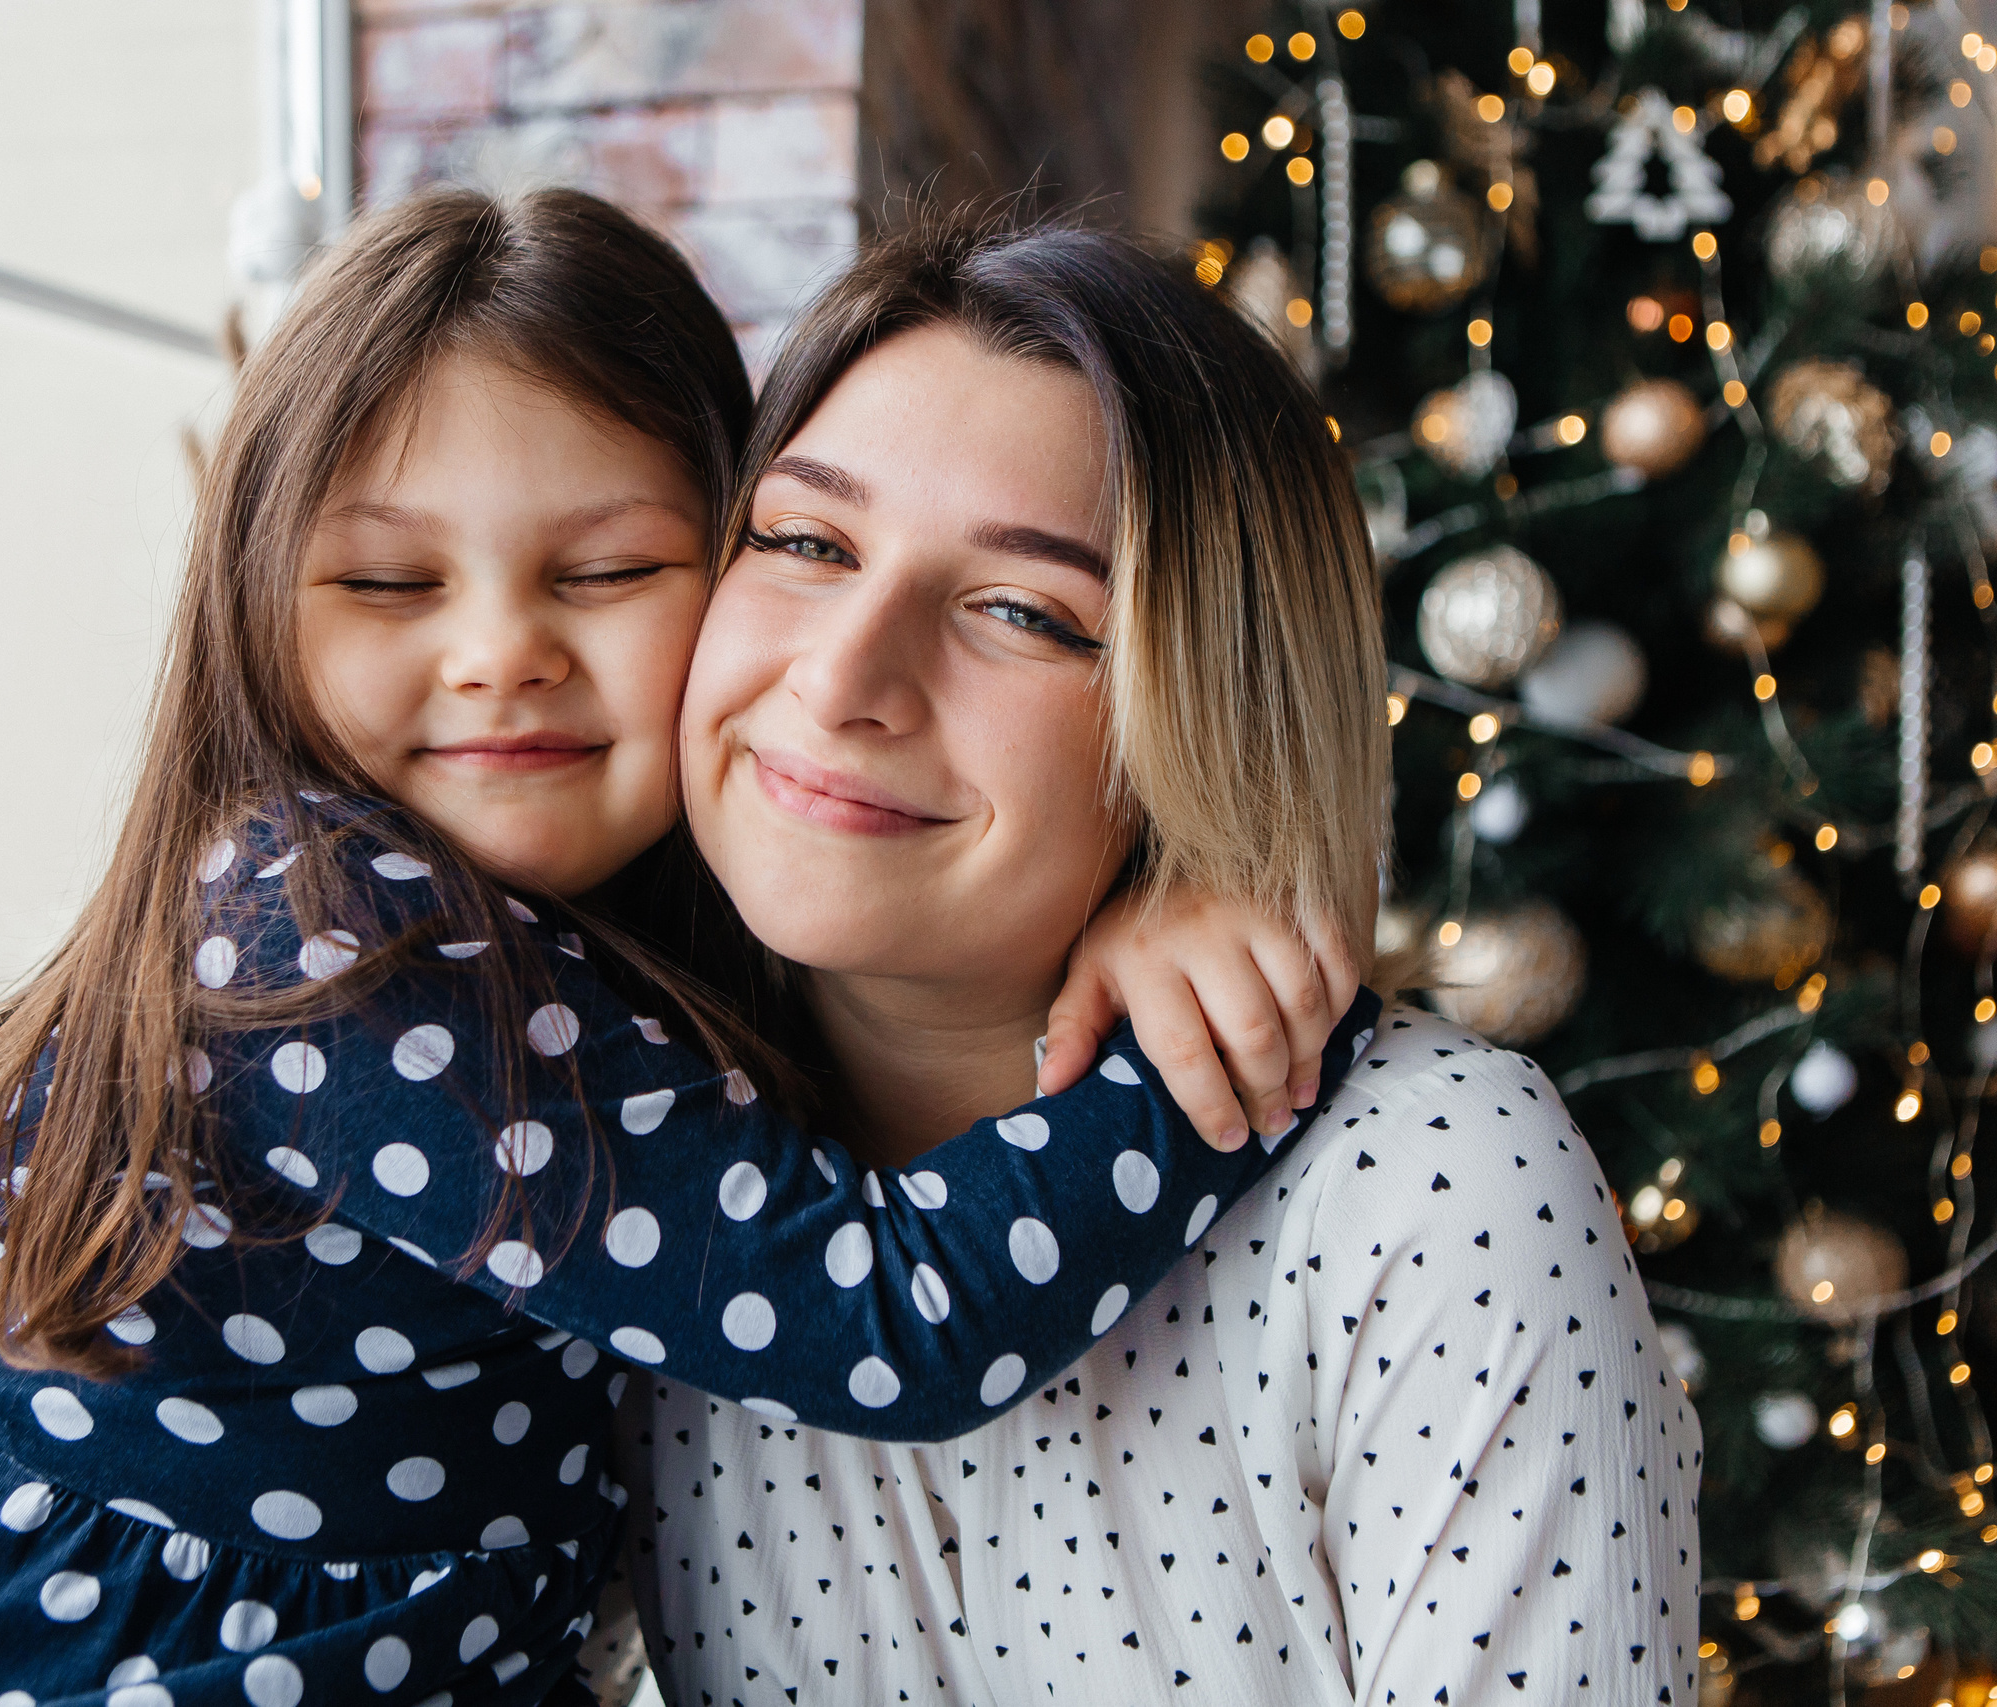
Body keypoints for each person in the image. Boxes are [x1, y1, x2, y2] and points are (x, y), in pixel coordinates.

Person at [0, 189, 1359, 1707]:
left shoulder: (590, 941)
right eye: (388, 584)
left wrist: (1164, 867)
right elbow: (891, 1314)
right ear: (256, 613)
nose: (501, 650)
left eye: (602, 574)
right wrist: (1228, 1045)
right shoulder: (330, 941)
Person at [622, 210, 1704, 1705]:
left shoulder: (1428, 1190)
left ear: (1203, 716)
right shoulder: (600, 1149)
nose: (844, 675)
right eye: (806, 540)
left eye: (1022, 611)